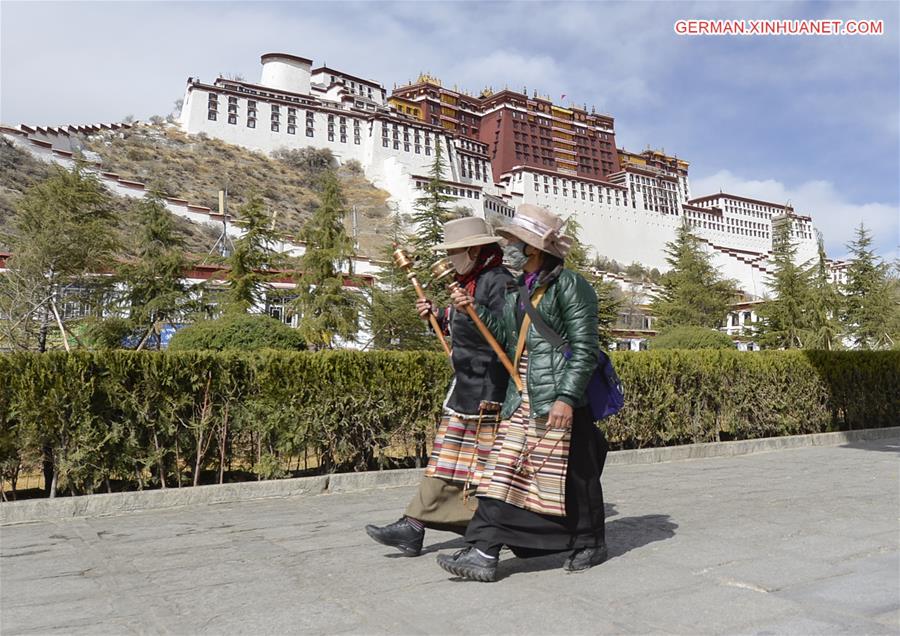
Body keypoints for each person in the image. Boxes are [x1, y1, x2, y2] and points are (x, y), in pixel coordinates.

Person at [436, 203, 609, 582]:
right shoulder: (522, 289)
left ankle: (591, 540)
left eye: (513, 240)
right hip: (524, 391)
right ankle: (483, 547)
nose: (508, 246)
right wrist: (471, 312)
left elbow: (584, 347)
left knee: (576, 474)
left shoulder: (570, 285)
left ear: (534, 248)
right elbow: (506, 338)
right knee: (502, 469)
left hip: (558, 391)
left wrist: (566, 398)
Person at [365, 217, 513, 556]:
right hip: (467, 387)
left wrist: (468, 310)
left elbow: (504, 332)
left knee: (478, 468)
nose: (451, 259)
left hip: (489, 391)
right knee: (448, 463)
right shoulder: (472, 281)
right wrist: (438, 315)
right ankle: (414, 526)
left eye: (456, 252)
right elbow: (463, 326)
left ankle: (458, 531)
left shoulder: (499, 282)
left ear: (476, 249)